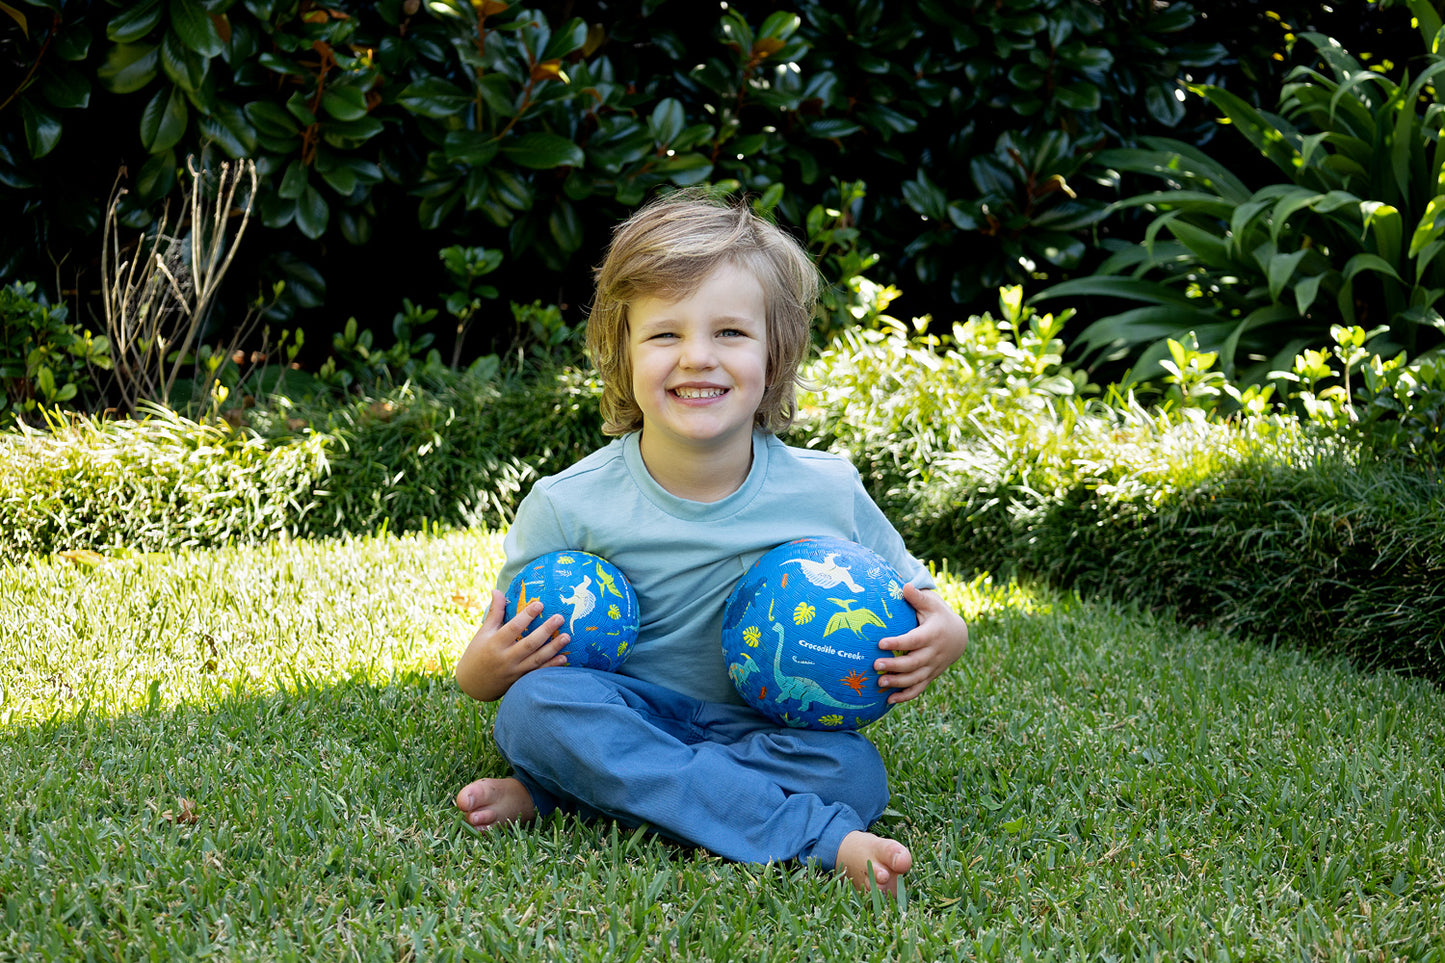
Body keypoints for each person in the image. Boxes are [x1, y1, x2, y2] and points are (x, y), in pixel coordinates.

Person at [453, 190, 968, 895]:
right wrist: (479, 670)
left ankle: (569, 797)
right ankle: (812, 836)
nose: (697, 357)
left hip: (763, 731)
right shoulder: (568, 501)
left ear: (773, 350)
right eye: (665, 334)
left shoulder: (826, 490)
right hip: (627, 711)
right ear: (622, 349)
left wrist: (947, 635)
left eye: (729, 333)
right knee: (535, 711)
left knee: (852, 772)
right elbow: (495, 669)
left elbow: (925, 603)